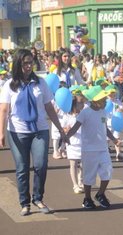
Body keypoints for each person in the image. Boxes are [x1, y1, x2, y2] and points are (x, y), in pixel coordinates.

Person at [0, 49, 68, 216]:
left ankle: (38, 198)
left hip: (40, 130)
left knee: (40, 165)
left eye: (31, 62)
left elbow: (49, 107)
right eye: (25, 63)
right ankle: (25, 202)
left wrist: (59, 127)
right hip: (17, 132)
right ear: (18, 64)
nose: (29, 66)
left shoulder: (41, 83)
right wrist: (1, 133)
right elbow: (4, 110)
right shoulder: (9, 85)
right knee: (22, 168)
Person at [66, 85, 120, 209]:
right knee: (89, 176)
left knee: (108, 172)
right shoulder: (85, 112)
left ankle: (100, 194)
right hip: (89, 150)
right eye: (103, 99)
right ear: (95, 101)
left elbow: (105, 128)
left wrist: (114, 139)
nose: (106, 101)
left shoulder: (103, 112)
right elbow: (75, 127)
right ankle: (87, 198)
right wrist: (66, 136)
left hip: (103, 149)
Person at [62, 89, 85, 194]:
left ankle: (81, 180)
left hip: (83, 143)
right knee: (73, 164)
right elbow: (62, 129)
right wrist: (66, 129)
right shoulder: (67, 116)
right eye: (80, 103)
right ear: (74, 104)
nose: (83, 104)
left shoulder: (84, 114)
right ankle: (75, 185)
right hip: (72, 143)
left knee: (83, 165)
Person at [105, 84, 123, 162]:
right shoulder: (105, 102)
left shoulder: (117, 101)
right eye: (110, 93)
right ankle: (106, 155)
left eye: (113, 93)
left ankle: (119, 154)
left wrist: (122, 110)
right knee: (106, 140)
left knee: (117, 139)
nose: (112, 95)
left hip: (117, 123)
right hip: (108, 123)